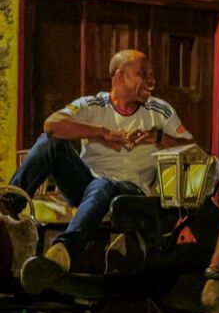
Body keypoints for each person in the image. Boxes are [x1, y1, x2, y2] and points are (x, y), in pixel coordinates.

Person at [5, 49, 192, 273]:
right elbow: (52, 125)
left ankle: (62, 252)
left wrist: (158, 137)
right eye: (143, 74)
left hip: (130, 194)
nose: (152, 81)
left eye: (152, 75)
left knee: (103, 184)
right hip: (86, 188)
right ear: (121, 76)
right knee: (49, 142)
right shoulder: (93, 105)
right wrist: (101, 133)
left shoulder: (159, 110)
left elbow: (192, 150)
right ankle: (6, 208)